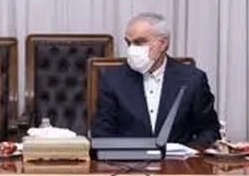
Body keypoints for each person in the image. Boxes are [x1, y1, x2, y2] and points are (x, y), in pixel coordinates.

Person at [90, 12, 221, 146]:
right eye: (129, 43)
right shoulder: (113, 80)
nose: (132, 49)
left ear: (162, 44)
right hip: (128, 158)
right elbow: (101, 133)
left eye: (139, 42)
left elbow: (209, 131)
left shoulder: (192, 79)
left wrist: (189, 152)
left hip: (179, 158)